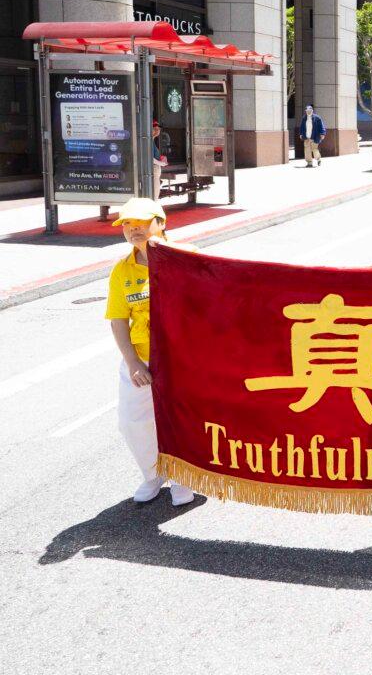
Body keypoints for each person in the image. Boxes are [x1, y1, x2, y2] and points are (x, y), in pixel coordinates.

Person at [105, 197, 197, 507]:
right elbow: (118, 320)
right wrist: (132, 362)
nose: (133, 230)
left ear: (161, 223)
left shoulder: (187, 256)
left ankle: (186, 477)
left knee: (181, 419)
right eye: (127, 225)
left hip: (182, 357)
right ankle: (153, 473)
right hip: (143, 357)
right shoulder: (122, 269)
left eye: (141, 223)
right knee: (132, 420)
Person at [151, 120, 170, 201]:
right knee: (154, 195)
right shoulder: (148, 142)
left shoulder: (151, 141)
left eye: (158, 128)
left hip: (155, 169)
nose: (157, 130)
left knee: (155, 193)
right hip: (153, 169)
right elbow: (148, 158)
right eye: (154, 128)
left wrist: (160, 157)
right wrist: (161, 163)